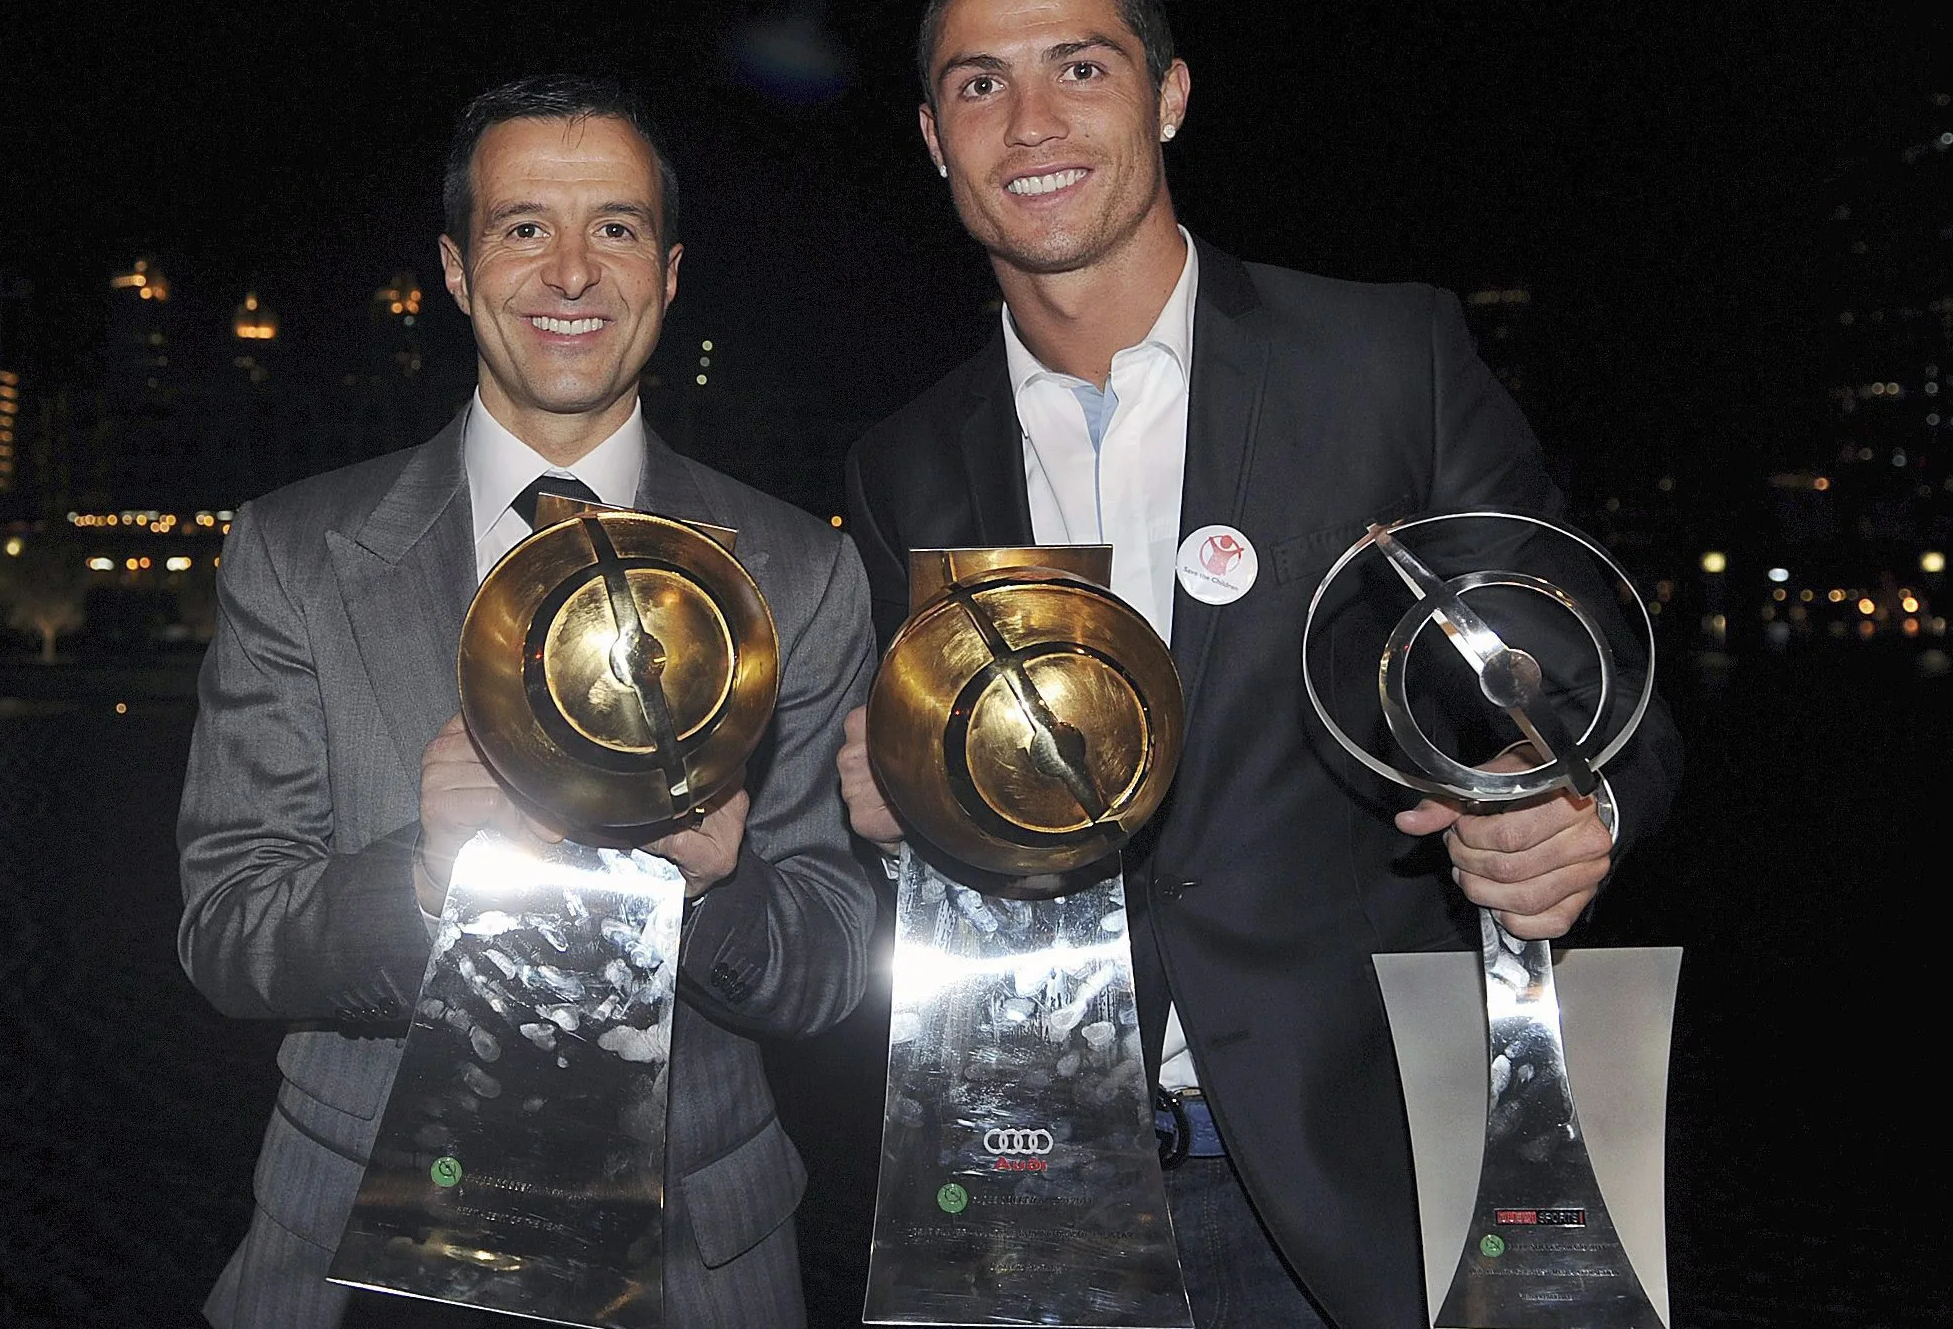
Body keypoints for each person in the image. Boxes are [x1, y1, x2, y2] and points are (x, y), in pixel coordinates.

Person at [835, 3, 1685, 1327]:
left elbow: (1592, 691)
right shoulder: (904, 465)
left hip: (1353, 1178)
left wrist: (1578, 806)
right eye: (980, 84)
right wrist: (901, 803)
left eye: (1080, 65)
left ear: (1167, 94)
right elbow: (963, 823)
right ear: (935, 138)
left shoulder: (1380, 360)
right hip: (1046, 1184)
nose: (1034, 121)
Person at [178, 76, 877, 1329]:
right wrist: (425, 883)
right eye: (521, 229)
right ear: (455, 270)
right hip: (350, 1248)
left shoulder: (797, 571)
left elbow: (828, 962)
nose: (570, 274)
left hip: (695, 1263)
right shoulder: (295, 549)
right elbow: (227, 927)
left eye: (612, 229)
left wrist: (720, 891)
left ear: (666, 273)